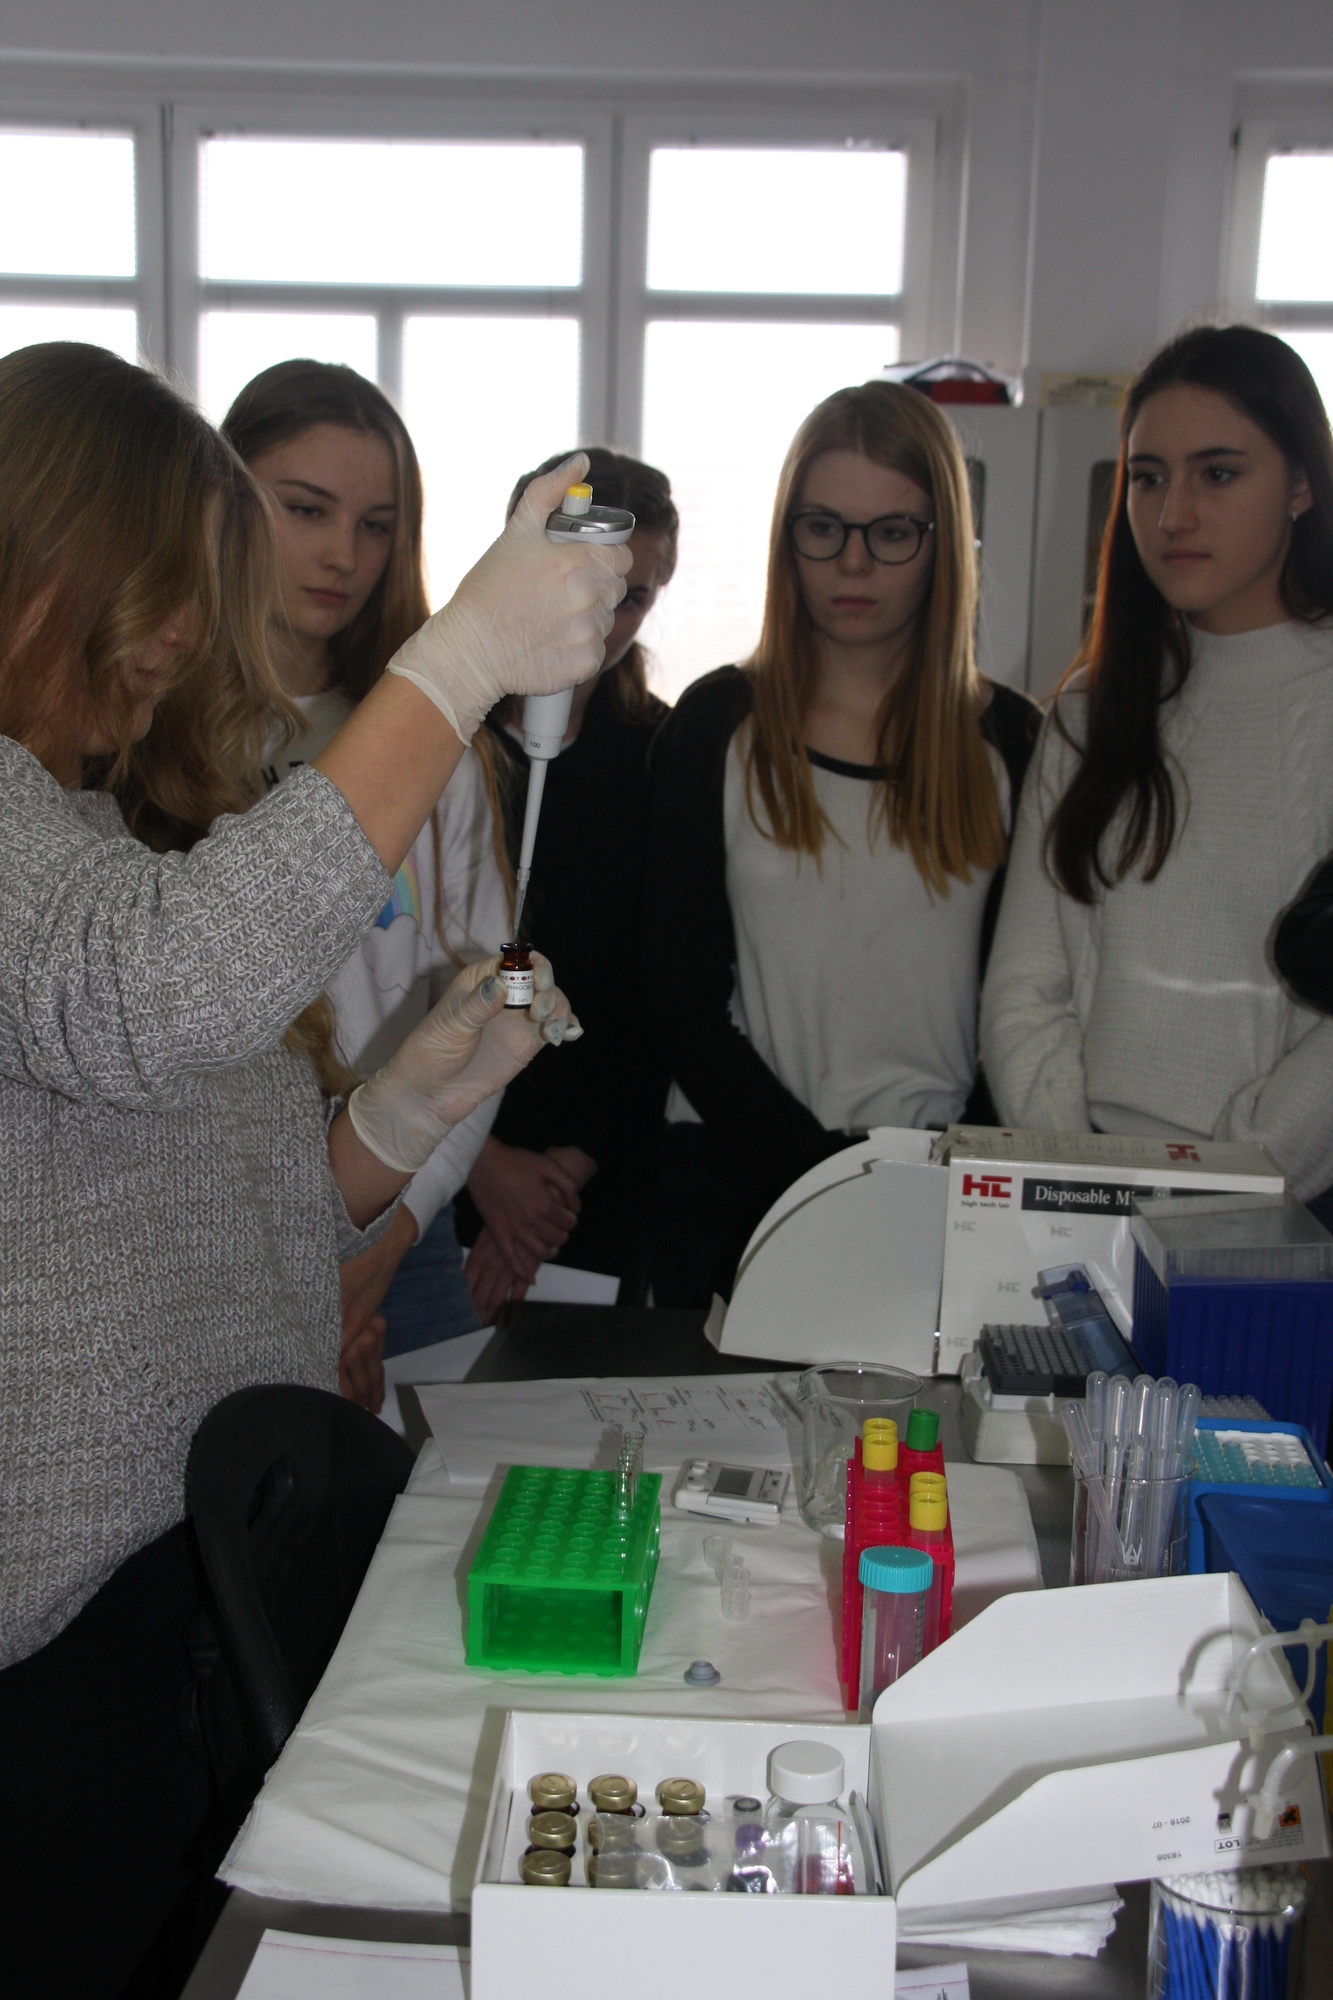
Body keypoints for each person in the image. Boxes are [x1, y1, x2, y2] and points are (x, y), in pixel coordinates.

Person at [0, 342, 627, 1996]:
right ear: (43, 551)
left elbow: (222, 1198)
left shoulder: (75, 828)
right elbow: (151, 993)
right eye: (165, 585)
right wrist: (463, 655)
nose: (183, 635)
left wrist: (405, 1114)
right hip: (52, 1641)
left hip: (176, 1596)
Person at [642, 381, 1038, 1306]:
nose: (852, 564)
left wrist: (935, 1173)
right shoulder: (712, 725)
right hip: (734, 1188)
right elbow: (676, 997)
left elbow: (1027, 1006)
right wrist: (819, 1177)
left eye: (891, 532)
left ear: (943, 543)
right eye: (822, 528)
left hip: (942, 1200)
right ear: (787, 536)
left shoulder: (1014, 743)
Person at [981, 324, 1333, 1203]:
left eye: (1217, 474)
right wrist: (1084, 1177)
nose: (1173, 515)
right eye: (1146, 478)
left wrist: (1226, 1182)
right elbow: (1023, 988)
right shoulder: (1087, 711)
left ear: (1300, 483)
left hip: (1288, 1212)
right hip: (1081, 1195)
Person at [223, 361, 511, 1369]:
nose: (342, 554)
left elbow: (488, 1002)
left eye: (376, 525)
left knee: (425, 1467)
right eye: (305, 509)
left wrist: (393, 1230)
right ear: (224, 498)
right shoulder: (153, 733)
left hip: (407, 1217)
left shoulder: (437, 744)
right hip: (210, 1227)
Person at [457, 449, 678, 1317]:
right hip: (428, 1164)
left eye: (634, 598)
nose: (603, 618)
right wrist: (481, 1165)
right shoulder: (439, 735)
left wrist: (554, 1182)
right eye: (585, 581)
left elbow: (660, 999)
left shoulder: (662, 757)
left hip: (585, 1191)